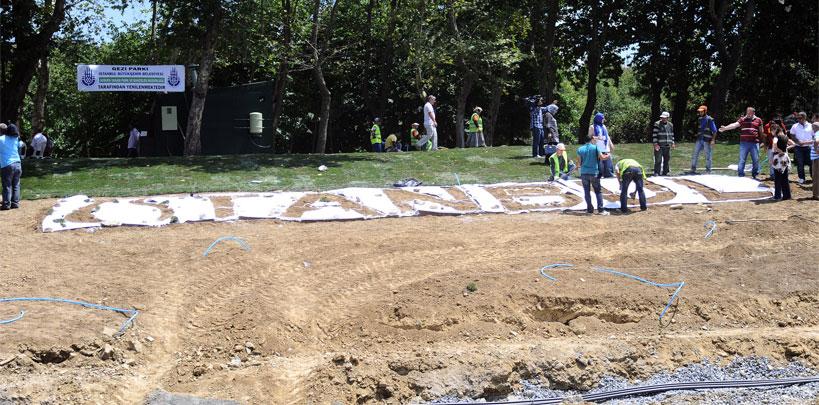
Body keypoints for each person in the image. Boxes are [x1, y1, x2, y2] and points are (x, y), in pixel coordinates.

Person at [719, 107, 764, 179]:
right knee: (742, 159)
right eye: (747, 112)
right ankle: (740, 174)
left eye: (749, 112)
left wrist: (763, 142)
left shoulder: (758, 120)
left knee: (755, 159)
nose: (748, 114)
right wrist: (725, 128)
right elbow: (734, 125)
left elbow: (761, 132)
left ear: (753, 113)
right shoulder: (743, 119)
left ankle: (755, 174)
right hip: (744, 143)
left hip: (754, 143)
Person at [576, 135, 608, 215]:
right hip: (594, 172)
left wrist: (577, 167)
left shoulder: (580, 149)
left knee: (587, 192)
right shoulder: (595, 148)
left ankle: (589, 209)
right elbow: (602, 158)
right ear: (591, 140)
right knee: (598, 191)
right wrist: (608, 155)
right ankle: (600, 210)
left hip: (584, 173)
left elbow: (579, 163)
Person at [690, 105, 718, 174]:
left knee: (708, 156)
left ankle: (708, 170)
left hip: (707, 140)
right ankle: (693, 169)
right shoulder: (699, 119)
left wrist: (713, 140)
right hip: (699, 140)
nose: (700, 113)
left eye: (701, 112)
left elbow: (714, 131)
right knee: (695, 154)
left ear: (705, 111)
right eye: (699, 112)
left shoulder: (710, 119)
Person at [0, 124, 22, 210]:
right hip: (18, 163)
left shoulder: (1, 139)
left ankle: (6, 204)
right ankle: (15, 203)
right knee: (16, 184)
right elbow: (20, 145)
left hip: (7, 164)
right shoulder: (15, 139)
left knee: (7, 185)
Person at [788, 112, 814, 184]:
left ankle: (813, 177)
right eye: (797, 118)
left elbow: (814, 136)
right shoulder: (795, 126)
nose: (798, 119)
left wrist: (808, 142)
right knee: (800, 163)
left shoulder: (811, 126)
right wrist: (797, 141)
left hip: (809, 147)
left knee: (811, 163)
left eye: (800, 118)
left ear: (804, 118)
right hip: (798, 147)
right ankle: (802, 178)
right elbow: (792, 135)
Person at [589, 113, 614, 177]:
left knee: (608, 165)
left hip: (606, 148)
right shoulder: (592, 127)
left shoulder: (604, 126)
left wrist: (611, 144)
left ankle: (609, 175)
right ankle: (599, 176)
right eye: (602, 118)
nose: (604, 119)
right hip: (598, 148)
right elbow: (590, 137)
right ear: (598, 119)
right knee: (600, 166)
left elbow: (607, 136)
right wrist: (597, 138)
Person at [770, 127, 792, 201]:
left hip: (778, 158)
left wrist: (779, 151)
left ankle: (777, 196)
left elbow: (774, 146)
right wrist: (785, 150)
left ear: (775, 130)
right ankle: (787, 195)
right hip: (785, 158)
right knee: (785, 178)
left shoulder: (776, 138)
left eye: (772, 131)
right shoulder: (786, 137)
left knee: (778, 178)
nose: (771, 132)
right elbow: (794, 144)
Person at [763, 113, 786, 180]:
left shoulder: (781, 124)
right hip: (770, 146)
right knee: (771, 161)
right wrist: (765, 145)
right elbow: (765, 136)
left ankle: (782, 173)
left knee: (781, 160)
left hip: (780, 147)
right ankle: (772, 175)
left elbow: (785, 135)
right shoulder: (767, 126)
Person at [652, 112, 675, 176]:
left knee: (666, 160)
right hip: (659, 145)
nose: (663, 119)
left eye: (665, 118)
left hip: (667, 145)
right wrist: (655, 144)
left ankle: (666, 172)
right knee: (658, 160)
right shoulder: (657, 124)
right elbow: (654, 135)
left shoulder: (670, 125)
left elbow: (672, 134)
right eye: (662, 117)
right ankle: (657, 172)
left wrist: (673, 142)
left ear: (667, 118)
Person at [812, 122, 819, 200]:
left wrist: (816, 150)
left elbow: (816, 141)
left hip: (816, 158)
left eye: (813, 127)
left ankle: (816, 195)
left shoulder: (817, 133)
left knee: (816, 176)